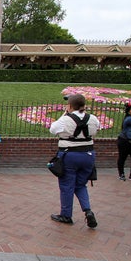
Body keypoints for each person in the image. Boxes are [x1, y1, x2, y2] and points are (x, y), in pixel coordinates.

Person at [49, 94, 100, 228]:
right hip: (88, 155)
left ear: (70, 106)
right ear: (84, 105)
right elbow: (96, 130)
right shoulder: (93, 118)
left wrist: (65, 114)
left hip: (70, 155)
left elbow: (52, 129)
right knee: (80, 185)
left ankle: (66, 215)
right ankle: (87, 210)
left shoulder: (66, 119)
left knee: (67, 186)